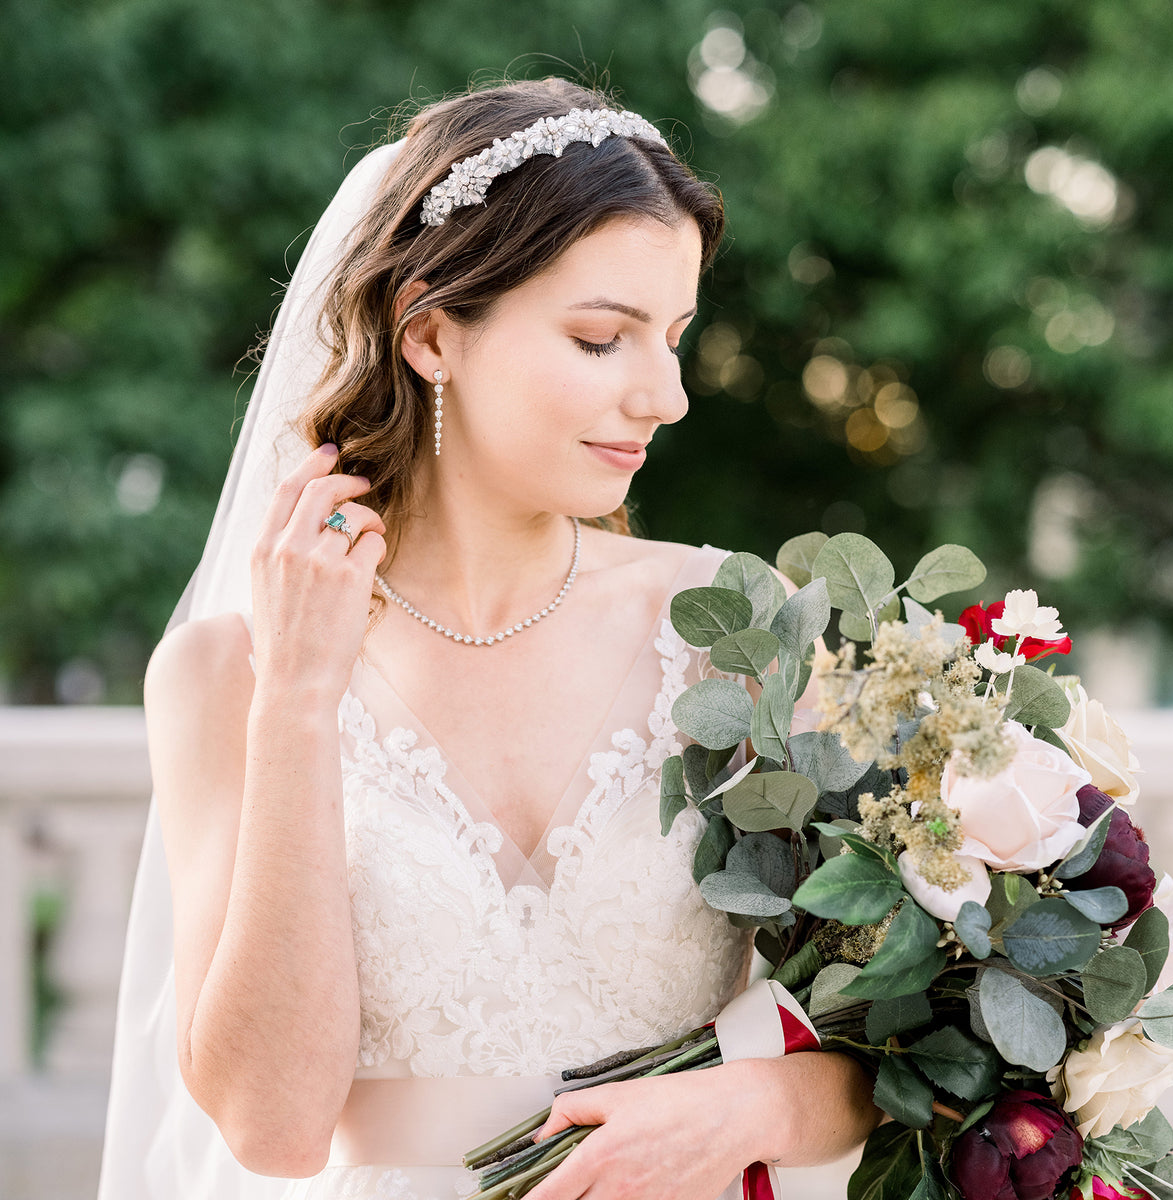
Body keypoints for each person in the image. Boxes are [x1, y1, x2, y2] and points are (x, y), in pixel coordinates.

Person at [98, 76, 878, 1200]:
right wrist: (300, 702)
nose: (667, 396)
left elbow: (899, 1039)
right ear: (429, 336)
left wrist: (753, 1103)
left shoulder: (733, 629)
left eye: (674, 338)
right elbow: (271, 1127)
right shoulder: (230, 672)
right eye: (604, 339)